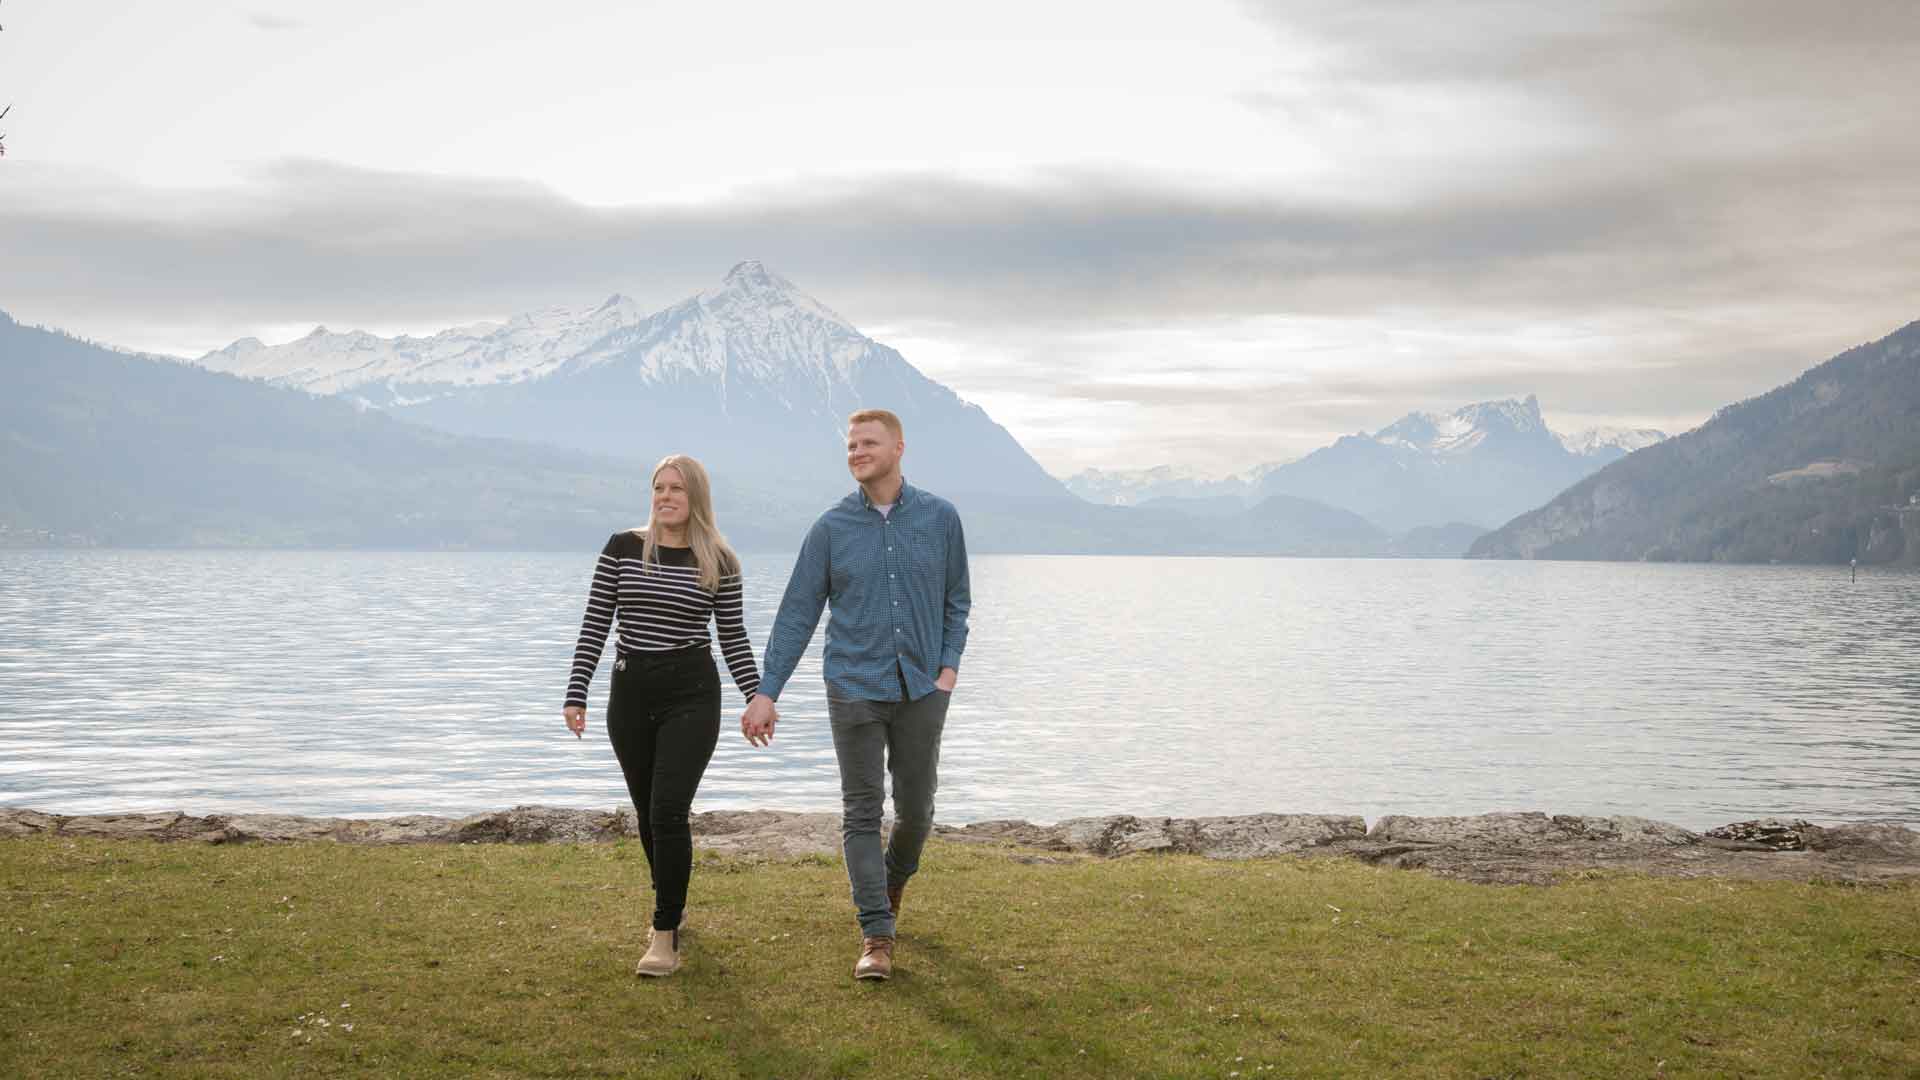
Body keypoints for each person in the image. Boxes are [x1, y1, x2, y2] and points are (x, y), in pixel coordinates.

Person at [741, 409, 970, 981]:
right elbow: (797, 614)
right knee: (862, 811)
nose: (857, 452)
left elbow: (957, 601)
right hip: (852, 687)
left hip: (922, 686)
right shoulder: (830, 529)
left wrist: (947, 670)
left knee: (917, 811)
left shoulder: (941, 519)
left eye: (868, 442)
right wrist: (767, 692)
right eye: (850, 444)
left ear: (898, 448)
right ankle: (876, 933)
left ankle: (891, 880)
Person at [564, 454, 760, 978]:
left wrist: (756, 697)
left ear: (696, 496)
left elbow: (734, 638)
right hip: (629, 694)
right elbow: (595, 622)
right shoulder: (623, 548)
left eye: (677, 488)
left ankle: (665, 931)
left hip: (692, 694)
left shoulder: (719, 559)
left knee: (668, 810)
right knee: (649, 813)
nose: (666, 497)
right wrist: (575, 692)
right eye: (658, 488)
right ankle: (670, 901)